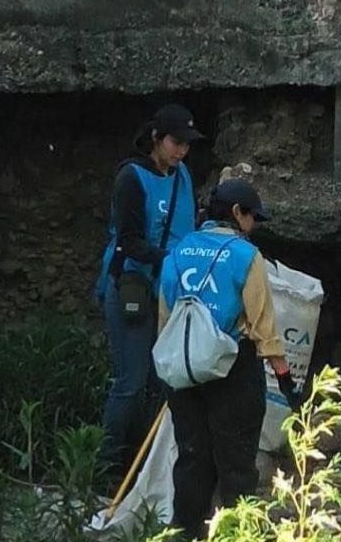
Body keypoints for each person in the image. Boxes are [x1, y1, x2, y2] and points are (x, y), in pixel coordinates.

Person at [157, 178, 302, 541]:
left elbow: (166, 315)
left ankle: (185, 533)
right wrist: (285, 378)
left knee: (192, 459)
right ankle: (237, 533)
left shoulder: (179, 250)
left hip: (183, 370)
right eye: (252, 217)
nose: (253, 226)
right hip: (232, 370)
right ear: (238, 214)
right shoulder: (245, 255)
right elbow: (262, 325)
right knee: (236, 464)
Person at [93, 104, 203, 474]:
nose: (182, 150)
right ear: (156, 138)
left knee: (162, 380)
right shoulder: (132, 177)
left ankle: (147, 467)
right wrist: (174, 259)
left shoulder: (183, 175)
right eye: (176, 142)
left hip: (171, 290)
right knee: (131, 380)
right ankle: (105, 466)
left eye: (187, 144)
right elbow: (130, 241)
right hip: (134, 286)